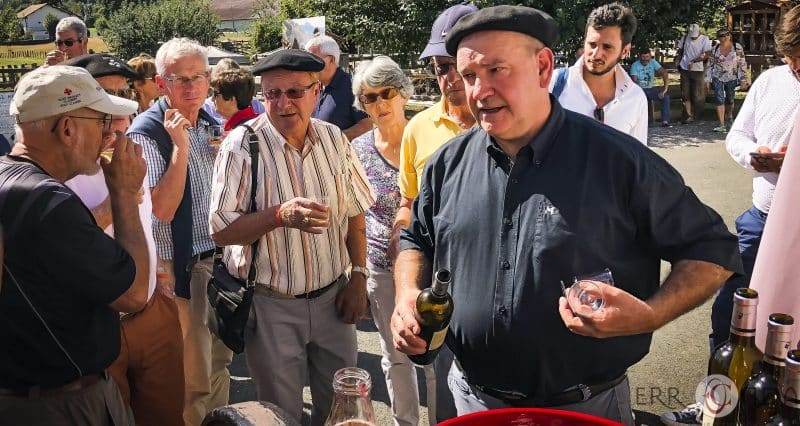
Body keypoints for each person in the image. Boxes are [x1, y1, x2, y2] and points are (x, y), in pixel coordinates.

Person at [390, 6, 741, 425]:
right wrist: (407, 291)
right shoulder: (447, 163)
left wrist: (652, 313)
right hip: (471, 398)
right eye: (469, 77)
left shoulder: (618, 161)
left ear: (542, 67)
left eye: (496, 70)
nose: (479, 92)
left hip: (584, 407)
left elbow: (713, 251)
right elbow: (416, 239)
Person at [208, 49, 376, 426]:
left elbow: (354, 212)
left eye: (295, 93)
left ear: (317, 91)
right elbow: (220, 229)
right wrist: (278, 215)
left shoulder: (334, 138)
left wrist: (360, 276)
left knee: (342, 410)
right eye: (272, 94)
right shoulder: (241, 145)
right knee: (280, 415)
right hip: (272, 307)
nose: (283, 104)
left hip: (334, 299)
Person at [0, 65, 146, 425]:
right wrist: (124, 194)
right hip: (63, 404)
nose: (110, 135)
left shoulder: (11, 177)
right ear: (67, 129)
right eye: (101, 122)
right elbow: (133, 294)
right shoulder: (49, 202)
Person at [62, 53, 185, 426]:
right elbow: (63, 244)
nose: (118, 112)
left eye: (123, 94)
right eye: (104, 97)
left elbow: (152, 218)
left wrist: (160, 272)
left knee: (168, 417)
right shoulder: (59, 166)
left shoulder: (132, 149)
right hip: (97, 325)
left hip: (151, 311)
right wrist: (118, 199)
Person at [127, 37, 233, 426]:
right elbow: (162, 209)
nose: (190, 87)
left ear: (209, 80)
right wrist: (181, 149)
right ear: (161, 83)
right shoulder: (146, 132)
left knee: (220, 362)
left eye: (198, 77)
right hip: (180, 267)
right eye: (179, 79)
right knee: (192, 380)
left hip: (218, 263)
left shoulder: (210, 122)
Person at [391, 3, 478, 422]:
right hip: (440, 286)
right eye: (440, 66)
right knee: (443, 395)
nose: (448, 77)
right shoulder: (418, 128)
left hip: (497, 286)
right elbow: (407, 204)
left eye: (455, 65)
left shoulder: (513, 125)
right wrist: (404, 269)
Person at [350, 56, 418, 426]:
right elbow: (356, 214)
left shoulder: (425, 139)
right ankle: (405, 422)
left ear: (403, 94)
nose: (378, 104)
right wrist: (356, 270)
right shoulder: (358, 150)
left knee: (435, 355)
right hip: (379, 268)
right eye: (369, 98)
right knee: (394, 356)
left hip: (426, 266)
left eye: (385, 93)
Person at [551, 2, 648, 144]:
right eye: (592, 44)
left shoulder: (635, 99)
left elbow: (637, 160)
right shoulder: (553, 84)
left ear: (625, 51)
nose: (596, 54)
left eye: (607, 47)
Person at [304, 35, 372, 140]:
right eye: (307, 60)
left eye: (313, 59)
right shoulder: (314, 87)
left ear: (331, 59)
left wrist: (331, 140)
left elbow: (366, 126)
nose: (309, 65)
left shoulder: (353, 87)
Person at [706, 29, 749, 133]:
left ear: (729, 36)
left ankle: (729, 117)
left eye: (725, 36)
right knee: (719, 99)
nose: (723, 38)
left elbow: (742, 63)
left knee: (730, 99)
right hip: (718, 76)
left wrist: (743, 79)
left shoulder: (737, 47)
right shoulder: (715, 48)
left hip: (732, 76)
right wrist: (707, 79)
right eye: (720, 36)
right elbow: (710, 64)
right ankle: (721, 124)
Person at [201, 58, 264, 126]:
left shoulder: (243, 129)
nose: (213, 99)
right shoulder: (204, 107)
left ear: (231, 98)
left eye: (216, 93)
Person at [675, 24, 712, 124]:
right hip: (685, 68)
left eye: (695, 36)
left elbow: (707, 54)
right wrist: (677, 60)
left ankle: (697, 116)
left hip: (698, 69)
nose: (693, 38)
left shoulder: (705, 39)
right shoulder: (685, 38)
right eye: (691, 36)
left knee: (698, 94)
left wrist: (694, 61)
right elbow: (680, 50)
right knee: (685, 92)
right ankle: (688, 115)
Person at [629, 47, 671, 127]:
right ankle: (639, 122)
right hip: (640, 90)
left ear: (650, 56)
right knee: (638, 98)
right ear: (639, 57)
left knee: (665, 96)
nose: (645, 59)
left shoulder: (653, 62)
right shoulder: (635, 65)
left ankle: (665, 121)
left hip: (651, 89)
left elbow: (665, 73)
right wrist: (638, 93)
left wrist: (664, 90)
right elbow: (634, 82)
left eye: (647, 57)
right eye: (643, 57)